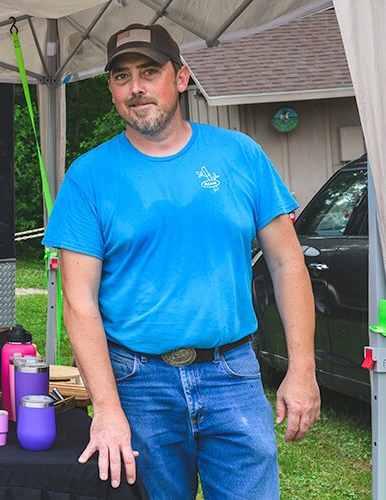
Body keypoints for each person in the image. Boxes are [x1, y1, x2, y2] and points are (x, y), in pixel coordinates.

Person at [42, 24, 320, 498]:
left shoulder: (240, 156)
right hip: (136, 383)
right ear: (111, 88)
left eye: (150, 72)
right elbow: (79, 302)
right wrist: (107, 408)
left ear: (182, 77)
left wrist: (302, 369)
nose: (137, 88)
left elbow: (287, 264)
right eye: (122, 77)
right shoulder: (88, 176)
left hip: (231, 373)